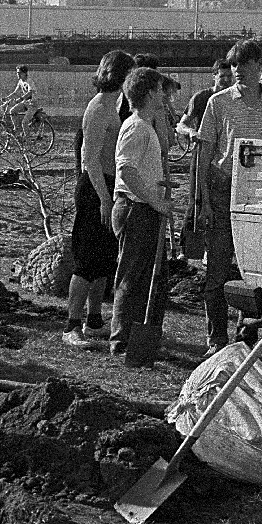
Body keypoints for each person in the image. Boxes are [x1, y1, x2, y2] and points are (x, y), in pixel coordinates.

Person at [195, 38, 262, 354]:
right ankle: (216, 338)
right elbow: (204, 152)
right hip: (225, 187)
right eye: (233, 64)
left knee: (256, 267)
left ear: (258, 67)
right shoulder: (219, 103)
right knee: (219, 266)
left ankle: (246, 331)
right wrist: (202, 200)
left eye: (243, 64)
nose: (237, 70)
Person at [64, 50, 133, 349]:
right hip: (94, 189)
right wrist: (104, 199)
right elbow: (88, 159)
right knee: (87, 261)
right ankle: (71, 325)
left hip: (109, 185)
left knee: (105, 260)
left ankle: (94, 317)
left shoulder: (116, 106)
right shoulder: (98, 108)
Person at [110, 68, 175, 365]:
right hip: (135, 209)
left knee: (151, 278)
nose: (166, 95)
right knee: (132, 278)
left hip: (145, 207)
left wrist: (158, 188)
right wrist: (154, 201)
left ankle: (140, 338)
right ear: (149, 92)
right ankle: (121, 342)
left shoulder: (147, 126)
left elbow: (141, 171)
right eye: (162, 89)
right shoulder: (135, 127)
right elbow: (126, 171)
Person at [2, 65, 33, 132]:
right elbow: (15, 93)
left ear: (25, 73)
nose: (18, 74)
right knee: (12, 111)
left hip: (33, 104)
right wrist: (7, 98)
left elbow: (30, 92)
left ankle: (27, 141)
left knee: (24, 123)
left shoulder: (29, 81)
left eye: (19, 73)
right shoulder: (20, 81)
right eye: (17, 73)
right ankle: (16, 129)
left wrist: (21, 99)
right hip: (26, 103)